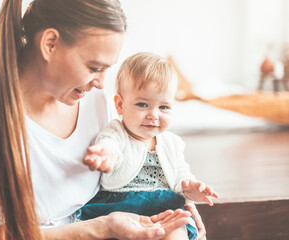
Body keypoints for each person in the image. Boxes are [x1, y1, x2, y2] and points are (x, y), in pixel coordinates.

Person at [0, 1, 206, 239]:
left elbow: (131, 159)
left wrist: (175, 200)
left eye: (106, 69)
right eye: (94, 67)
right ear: (50, 44)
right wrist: (100, 227)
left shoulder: (94, 100)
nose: (101, 82)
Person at [79, 52, 219, 240]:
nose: (154, 115)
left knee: (178, 230)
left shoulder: (172, 143)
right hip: (121, 208)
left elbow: (180, 175)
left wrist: (191, 189)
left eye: (164, 107)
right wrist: (106, 155)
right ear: (120, 104)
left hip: (164, 208)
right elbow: (110, 145)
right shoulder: (118, 132)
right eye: (143, 104)